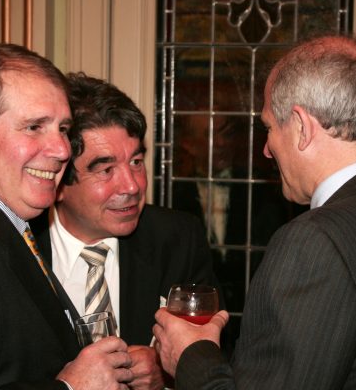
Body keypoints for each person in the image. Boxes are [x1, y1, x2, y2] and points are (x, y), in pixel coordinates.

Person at [152, 35, 356, 389]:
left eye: (269, 127)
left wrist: (190, 355)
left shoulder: (315, 241)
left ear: (302, 127)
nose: (266, 149)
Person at [0, 43, 133, 389]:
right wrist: (70, 387)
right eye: (35, 127)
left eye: (63, 129)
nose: (62, 150)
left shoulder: (0, 219)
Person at [30, 72, 219, 390]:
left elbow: (218, 354)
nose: (132, 186)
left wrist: (170, 370)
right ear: (59, 182)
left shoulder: (177, 239)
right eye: (106, 170)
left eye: (136, 162)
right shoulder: (17, 249)